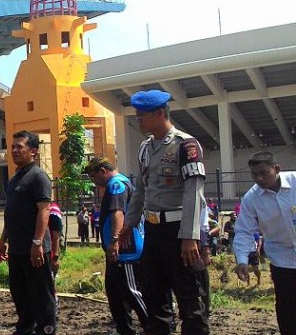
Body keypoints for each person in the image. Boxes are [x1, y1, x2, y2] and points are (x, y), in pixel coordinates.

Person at [122, 90, 209, 334]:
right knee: (154, 295)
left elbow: (194, 192)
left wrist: (190, 236)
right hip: (153, 230)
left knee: (190, 298)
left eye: (142, 116)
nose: (138, 120)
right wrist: (129, 223)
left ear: (160, 114)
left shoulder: (186, 145)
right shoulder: (145, 148)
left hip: (179, 231)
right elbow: (141, 188)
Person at [233, 151, 296, 334]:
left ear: (277, 169)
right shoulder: (251, 199)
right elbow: (244, 231)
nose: (259, 178)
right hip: (282, 258)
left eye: (264, 173)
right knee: (287, 307)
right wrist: (242, 260)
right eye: (254, 174)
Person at [0, 130, 57, 334]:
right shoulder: (15, 179)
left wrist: (37, 243)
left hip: (35, 249)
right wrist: (3, 240)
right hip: (17, 249)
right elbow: (10, 213)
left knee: (41, 294)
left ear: (33, 151)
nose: (14, 150)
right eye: (12, 147)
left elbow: (44, 211)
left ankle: (46, 329)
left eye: (19, 147)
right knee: (20, 293)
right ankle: (25, 328)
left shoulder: (38, 177)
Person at [85, 157, 147, 335]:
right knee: (114, 294)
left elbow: (118, 214)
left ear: (103, 171)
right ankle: (125, 330)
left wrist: (114, 241)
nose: (94, 181)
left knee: (131, 291)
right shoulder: (120, 183)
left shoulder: (116, 185)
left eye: (93, 176)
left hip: (125, 250)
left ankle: (152, 325)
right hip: (117, 251)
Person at [49, 202, 64, 310]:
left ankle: (53, 309)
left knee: (49, 283)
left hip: (48, 253)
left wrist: (55, 256)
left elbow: (56, 234)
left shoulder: (52, 210)